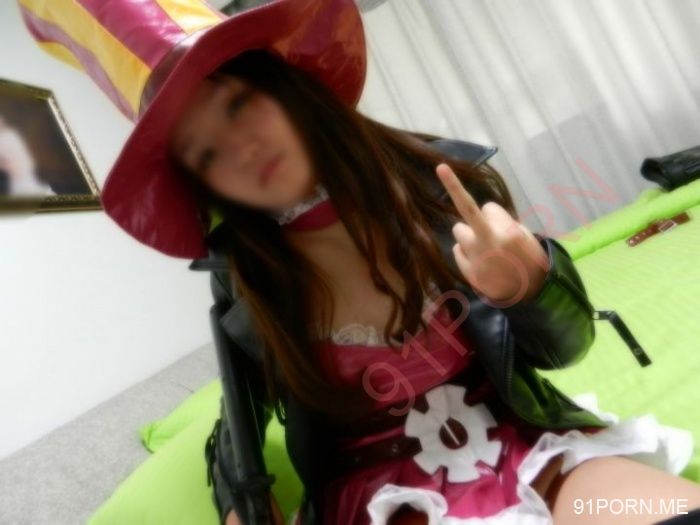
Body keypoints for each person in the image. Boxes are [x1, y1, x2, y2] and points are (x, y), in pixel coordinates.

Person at [18, 1, 700, 524]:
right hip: (385, 497)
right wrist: (239, 504)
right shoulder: (250, 288)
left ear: (286, 88)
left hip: (531, 440)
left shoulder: (445, 193)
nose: (241, 147)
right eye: (205, 151)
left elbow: (565, 349)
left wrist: (534, 284)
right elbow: (238, 421)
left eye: (239, 104)